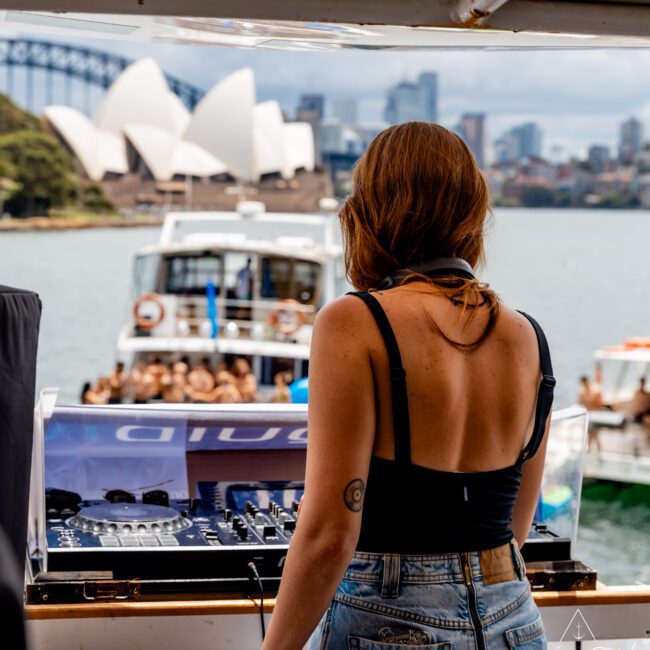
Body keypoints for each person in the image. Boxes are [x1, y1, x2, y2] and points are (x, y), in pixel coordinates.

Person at [263, 122, 553, 649]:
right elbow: (515, 527)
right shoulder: (528, 337)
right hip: (513, 617)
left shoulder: (355, 322)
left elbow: (331, 535)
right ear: (471, 213)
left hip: (392, 622)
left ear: (370, 211)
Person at [578, 375, 604, 452]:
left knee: (595, 434)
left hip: (596, 414)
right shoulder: (582, 392)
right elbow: (579, 402)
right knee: (589, 434)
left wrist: (591, 402)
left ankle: (598, 451)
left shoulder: (595, 389)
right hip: (589, 415)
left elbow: (601, 402)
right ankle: (590, 450)